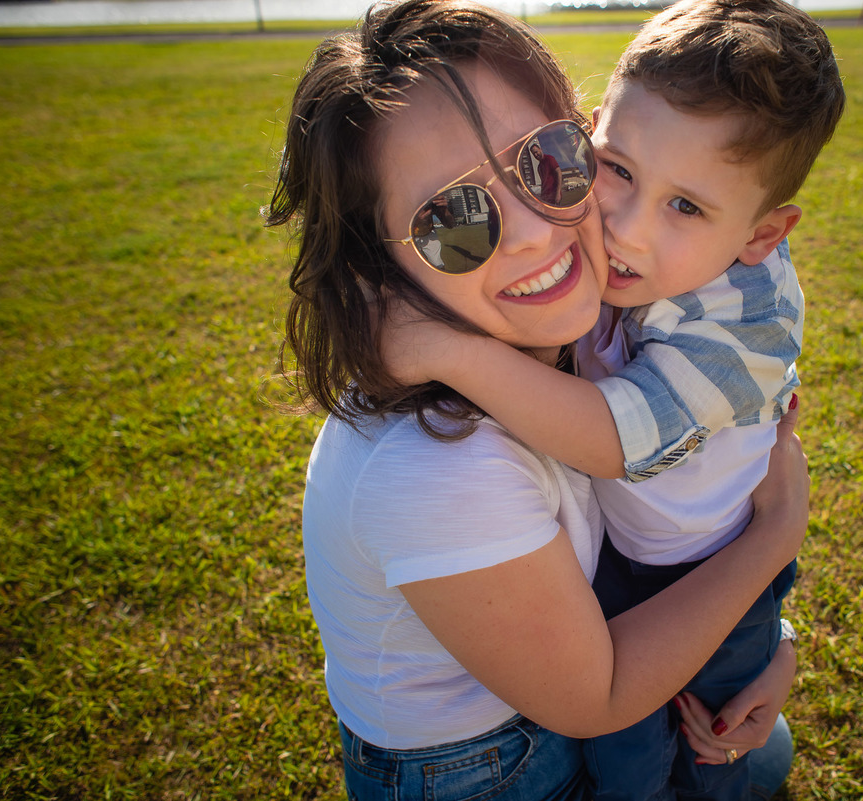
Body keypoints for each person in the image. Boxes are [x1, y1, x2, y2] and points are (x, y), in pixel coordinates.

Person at [264, 1, 811, 799]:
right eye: (452, 218)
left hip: (579, 672)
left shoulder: (615, 318)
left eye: (545, 159)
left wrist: (774, 642)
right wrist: (773, 538)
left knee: (758, 751)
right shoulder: (439, 470)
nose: (531, 230)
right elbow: (597, 695)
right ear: (381, 268)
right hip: (493, 764)